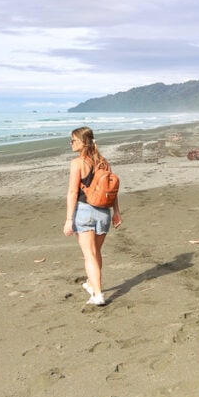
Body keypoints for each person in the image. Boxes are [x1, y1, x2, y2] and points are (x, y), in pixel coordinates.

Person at [63, 126, 122, 305]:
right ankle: (91, 284)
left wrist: (68, 220)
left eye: (73, 140)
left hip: (84, 212)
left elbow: (73, 192)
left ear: (82, 142)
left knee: (89, 255)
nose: (70, 143)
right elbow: (111, 190)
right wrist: (116, 212)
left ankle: (98, 294)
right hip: (104, 213)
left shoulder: (77, 163)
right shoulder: (103, 162)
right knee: (95, 253)